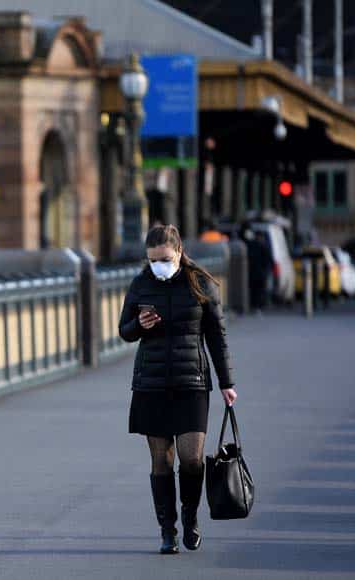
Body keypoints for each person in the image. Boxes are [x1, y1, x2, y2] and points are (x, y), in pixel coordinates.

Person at [118, 224, 238, 554]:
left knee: (192, 459)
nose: (159, 265)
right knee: (161, 460)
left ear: (179, 252)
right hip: (151, 384)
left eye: (165, 259)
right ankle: (167, 530)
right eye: (153, 260)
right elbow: (123, 331)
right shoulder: (141, 284)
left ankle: (190, 515)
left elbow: (216, 336)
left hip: (191, 383)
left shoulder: (200, 283)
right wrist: (137, 326)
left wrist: (227, 382)